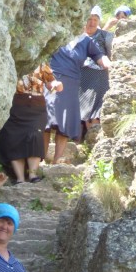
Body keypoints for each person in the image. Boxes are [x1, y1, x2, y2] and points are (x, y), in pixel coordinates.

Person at [44, 16, 113, 164]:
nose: (87, 23)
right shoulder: (58, 34)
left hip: (71, 84)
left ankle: (56, 161)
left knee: (64, 124)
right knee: (46, 122)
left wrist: (111, 65)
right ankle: (41, 160)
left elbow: (99, 56)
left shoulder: (86, 41)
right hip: (51, 80)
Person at [0, 64, 64, 184]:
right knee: (14, 138)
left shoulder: (41, 65)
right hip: (16, 105)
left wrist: (56, 85)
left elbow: (50, 83)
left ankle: (33, 175)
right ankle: (20, 178)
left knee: (35, 136)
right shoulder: (14, 60)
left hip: (36, 106)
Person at [78, 5, 115, 143]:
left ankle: (93, 140)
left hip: (100, 77)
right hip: (80, 76)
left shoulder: (106, 36)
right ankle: (79, 140)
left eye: (95, 19)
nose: (92, 23)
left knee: (96, 110)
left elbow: (110, 56)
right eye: (89, 19)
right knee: (81, 108)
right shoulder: (77, 37)